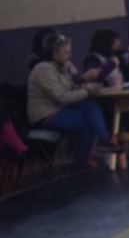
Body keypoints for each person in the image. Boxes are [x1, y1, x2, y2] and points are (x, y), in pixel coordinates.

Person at [27, 33, 123, 167]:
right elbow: (61, 96)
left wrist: (86, 83)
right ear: (54, 53)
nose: (69, 56)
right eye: (66, 53)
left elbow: (73, 84)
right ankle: (83, 159)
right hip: (46, 113)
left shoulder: (65, 66)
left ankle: (103, 140)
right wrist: (87, 90)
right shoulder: (43, 69)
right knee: (87, 121)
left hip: (62, 106)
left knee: (90, 105)